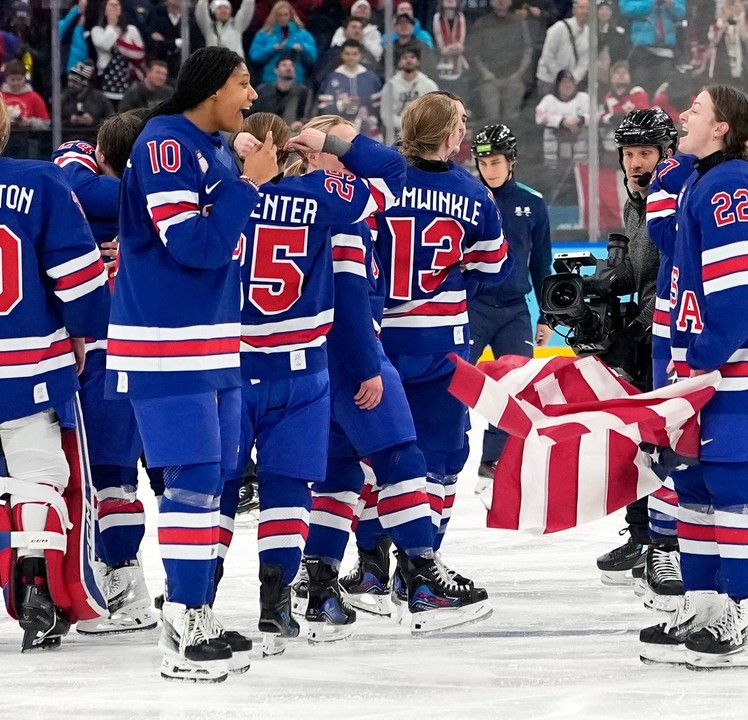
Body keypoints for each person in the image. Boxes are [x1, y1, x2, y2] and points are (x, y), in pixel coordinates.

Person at [105, 45, 278, 683]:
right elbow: (195, 245)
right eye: (243, 83)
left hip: (208, 340)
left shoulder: (205, 146)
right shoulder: (164, 144)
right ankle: (182, 621)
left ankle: (195, 608)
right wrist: (249, 185)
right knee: (193, 477)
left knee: (216, 479)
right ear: (210, 89)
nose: (253, 95)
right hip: (163, 344)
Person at [213, 111, 406, 653]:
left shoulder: (221, 190)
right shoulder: (322, 195)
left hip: (229, 366)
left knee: (220, 488)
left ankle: (199, 600)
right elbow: (393, 173)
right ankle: (275, 606)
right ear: (291, 150)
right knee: (288, 488)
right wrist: (335, 141)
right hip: (300, 369)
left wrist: (230, 152)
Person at [638, 85, 748, 670]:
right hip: (707, 369)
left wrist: (699, 361)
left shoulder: (729, 184)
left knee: (734, 489)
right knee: (692, 487)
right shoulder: (705, 178)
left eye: (697, 109)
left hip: (740, 372)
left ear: (722, 128)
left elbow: (740, 298)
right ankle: (707, 606)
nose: (685, 114)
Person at [365, 91, 510, 630]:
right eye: (461, 125)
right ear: (449, 135)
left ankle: (370, 569)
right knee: (445, 457)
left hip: (380, 340)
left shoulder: (378, 183)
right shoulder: (472, 192)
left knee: (378, 455)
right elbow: (493, 266)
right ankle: (423, 571)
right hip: (443, 343)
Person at [0, 95, 111, 653]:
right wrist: (84, 333)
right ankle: (37, 583)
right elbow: (78, 278)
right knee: (38, 474)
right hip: (27, 360)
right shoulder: (39, 183)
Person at [52, 110, 161, 635]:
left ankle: (117, 580)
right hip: (129, 352)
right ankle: (113, 578)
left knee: (109, 476)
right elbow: (74, 181)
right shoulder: (162, 199)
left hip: (110, 351)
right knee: (109, 476)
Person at [591, 109, 684, 606]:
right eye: (627, 154)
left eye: (644, 153)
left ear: (666, 153)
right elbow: (639, 272)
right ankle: (644, 533)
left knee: (662, 439)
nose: (633, 162)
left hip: (670, 335)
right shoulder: (636, 202)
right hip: (645, 331)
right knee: (637, 439)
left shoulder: (678, 198)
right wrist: (602, 281)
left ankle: (665, 539)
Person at [468, 124, 552, 495]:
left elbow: (542, 265)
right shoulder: (466, 197)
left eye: (496, 161)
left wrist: (547, 316)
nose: (490, 169)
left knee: (517, 388)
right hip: (473, 307)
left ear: (511, 161)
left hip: (515, 310)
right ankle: (442, 455)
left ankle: (494, 459)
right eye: (483, 162)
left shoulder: (533, 203)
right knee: (451, 385)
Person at [468, 0, 532, 125]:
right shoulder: (482, 23)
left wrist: (519, 73)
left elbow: (527, 50)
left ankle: (512, 144)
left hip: (513, 78)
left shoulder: (519, 22)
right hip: (489, 80)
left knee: (512, 121)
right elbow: (474, 53)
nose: (501, 1)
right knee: (491, 120)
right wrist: (485, 73)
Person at [317, 39, 383, 138]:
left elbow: (378, 107)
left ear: (360, 55)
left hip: (368, 132)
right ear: (342, 55)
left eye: (354, 54)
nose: (351, 57)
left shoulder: (371, 78)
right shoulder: (331, 78)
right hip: (339, 132)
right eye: (347, 54)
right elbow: (325, 109)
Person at [621, 0, 687, 93]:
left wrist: (672, 4)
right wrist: (651, 3)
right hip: (641, 49)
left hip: (666, 50)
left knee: (664, 87)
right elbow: (626, 8)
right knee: (641, 86)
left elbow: (682, 12)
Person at [90, 0, 145, 104]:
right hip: (106, 83)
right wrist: (111, 25)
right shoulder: (97, 31)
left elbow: (139, 54)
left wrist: (120, 43)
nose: (115, 7)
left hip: (129, 83)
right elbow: (106, 45)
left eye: (117, 5)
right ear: (104, 10)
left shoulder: (131, 30)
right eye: (111, 5)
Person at [249, 1, 318, 84]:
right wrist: (271, 49)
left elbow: (313, 57)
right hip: (270, 81)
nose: (283, 18)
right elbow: (254, 56)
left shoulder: (303, 34)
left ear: (291, 15)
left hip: (296, 81)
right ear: (274, 16)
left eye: (286, 14)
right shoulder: (264, 34)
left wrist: (303, 48)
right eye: (280, 15)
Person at [535, 0, 589, 97]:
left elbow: (584, 62)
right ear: (574, 10)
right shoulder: (558, 28)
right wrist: (561, 78)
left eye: (588, 9)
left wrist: (572, 79)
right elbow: (548, 56)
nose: (585, 11)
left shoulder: (590, 33)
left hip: (571, 83)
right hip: (549, 80)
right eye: (582, 8)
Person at [382, 47, 439, 137]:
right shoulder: (390, 86)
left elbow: (436, 112)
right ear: (399, 63)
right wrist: (406, 126)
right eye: (405, 58)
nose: (409, 60)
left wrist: (419, 127)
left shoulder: (429, 85)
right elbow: (386, 115)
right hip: (397, 135)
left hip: (423, 134)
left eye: (412, 57)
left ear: (418, 61)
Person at [251, 56, 313, 131]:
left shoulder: (303, 92)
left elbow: (308, 115)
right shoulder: (263, 91)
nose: (289, 68)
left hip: (292, 133)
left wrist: (300, 123)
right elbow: (253, 114)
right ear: (276, 70)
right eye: (284, 65)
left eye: (292, 65)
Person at [61, 62, 113, 134]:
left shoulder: (99, 98)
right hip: (67, 137)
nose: (71, 84)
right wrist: (69, 121)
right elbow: (52, 122)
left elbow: (112, 120)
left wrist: (94, 122)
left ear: (84, 82)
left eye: (75, 82)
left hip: (93, 137)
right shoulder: (63, 97)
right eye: (69, 80)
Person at [1, 59, 50, 131]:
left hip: (28, 138)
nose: (16, 83)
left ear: (24, 78)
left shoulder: (34, 97)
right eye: (12, 79)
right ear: (6, 79)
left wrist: (29, 122)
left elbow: (46, 123)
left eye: (19, 79)